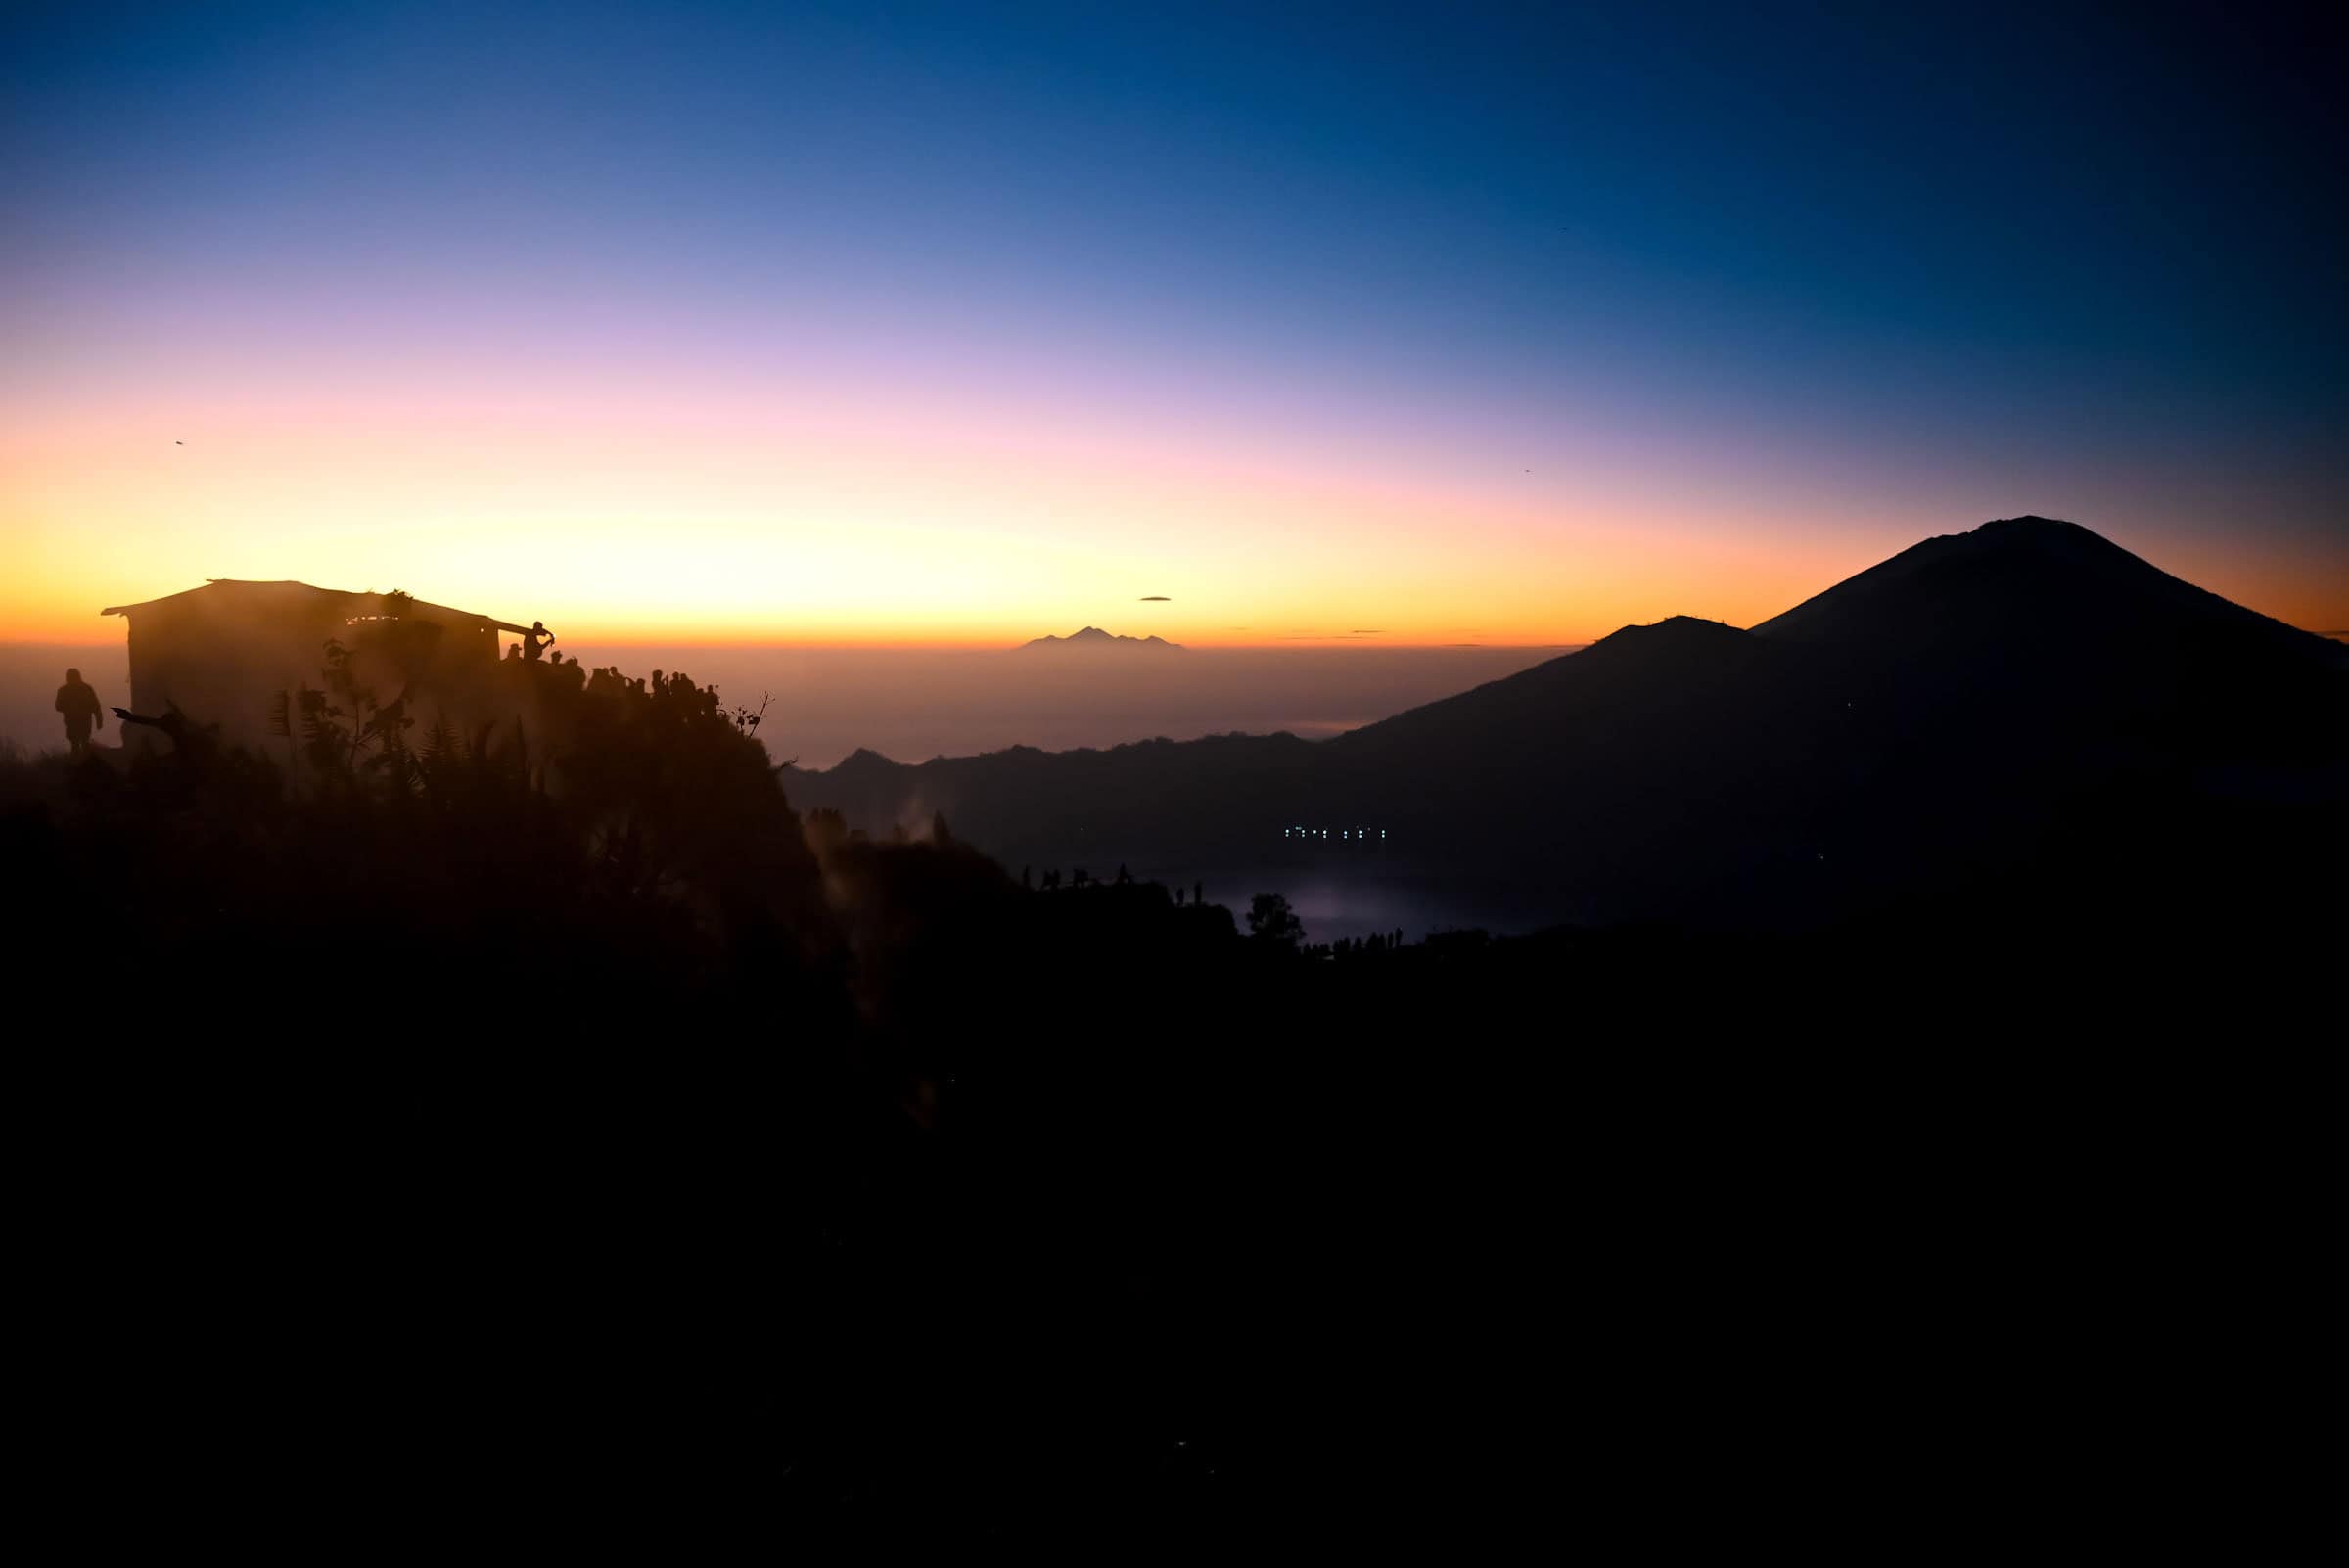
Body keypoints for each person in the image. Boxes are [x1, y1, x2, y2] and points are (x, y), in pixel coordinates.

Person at [55, 668, 103, 757]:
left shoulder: (64, 690)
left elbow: (96, 706)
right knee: (79, 744)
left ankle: (79, 764)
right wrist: (99, 721)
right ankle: (82, 764)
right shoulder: (86, 688)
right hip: (77, 722)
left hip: (75, 722)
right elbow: (96, 706)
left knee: (77, 745)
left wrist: (99, 721)